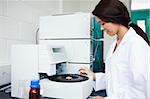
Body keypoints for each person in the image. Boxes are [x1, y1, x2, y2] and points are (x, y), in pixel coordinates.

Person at [79, 0, 150, 99]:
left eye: (102, 23)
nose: (101, 28)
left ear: (115, 19)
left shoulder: (136, 45)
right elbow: (116, 79)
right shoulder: (114, 45)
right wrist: (94, 76)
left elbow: (141, 91)